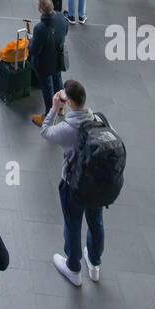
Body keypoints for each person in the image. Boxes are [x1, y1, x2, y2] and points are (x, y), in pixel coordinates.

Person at [41, 78, 104, 287]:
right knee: (96, 222)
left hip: (74, 185)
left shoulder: (68, 128)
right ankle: (94, 263)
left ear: (68, 102)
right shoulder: (99, 119)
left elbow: (45, 131)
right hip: (96, 184)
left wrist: (53, 108)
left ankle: (74, 268)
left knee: (73, 223)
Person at [29, 0, 69, 126]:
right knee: (58, 80)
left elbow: (34, 50)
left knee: (47, 87)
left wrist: (30, 42)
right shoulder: (62, 18)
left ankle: (47, 116)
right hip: (58, 59)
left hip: (45, 64)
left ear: (41, 9)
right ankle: (61, 107)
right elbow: (65, 31)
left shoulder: (40, 28)